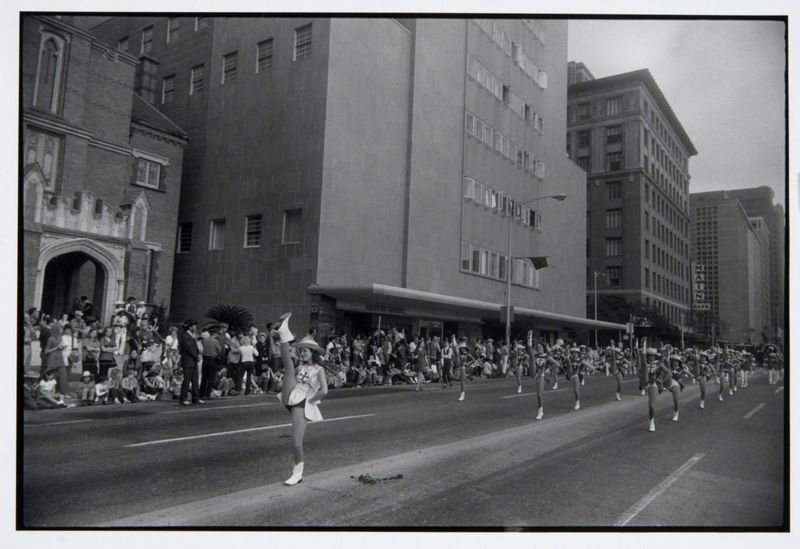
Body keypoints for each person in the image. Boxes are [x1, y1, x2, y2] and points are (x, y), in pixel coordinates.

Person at [273, 313, 328, 486]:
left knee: (296, 442)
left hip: (302, 403)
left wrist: (310, 402)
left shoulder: (319, 370)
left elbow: (325, 391)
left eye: (304, 351)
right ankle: (284, 336)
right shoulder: (301, 366)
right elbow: (292, 377)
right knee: (288, 366)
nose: (302, 353)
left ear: (313, 353)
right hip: (292, 395)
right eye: (301, 351)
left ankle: (298, 473)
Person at [178, 319, 203, 406]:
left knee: (195, 380)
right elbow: (189, 349)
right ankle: (183, 398)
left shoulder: (190, 335)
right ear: (189, 327)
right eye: (194, 326)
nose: (195, 327)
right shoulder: (185, 336)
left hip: (192, 361)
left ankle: (196, 398)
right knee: (187, 380)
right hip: (188, 361)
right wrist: (197, 357)